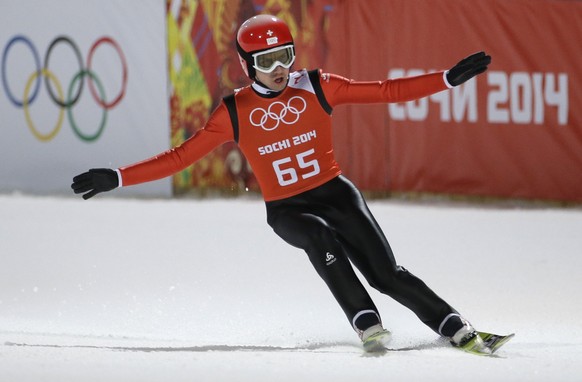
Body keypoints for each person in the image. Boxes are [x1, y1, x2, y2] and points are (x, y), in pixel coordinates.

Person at [72, 14, 492, 353]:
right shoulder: (233, 112)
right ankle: (365, 320)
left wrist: (445, 80)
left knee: (386, 273)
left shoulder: (317, 86)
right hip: (289, 209)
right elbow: (181, 157)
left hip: (336, 194)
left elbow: (383, 91)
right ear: (246, 65)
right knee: (320, 237)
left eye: (285, 56)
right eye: (266, 61)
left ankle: (452, 324)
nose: (278, 70)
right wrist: (119, 176)